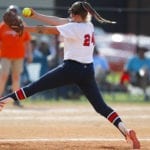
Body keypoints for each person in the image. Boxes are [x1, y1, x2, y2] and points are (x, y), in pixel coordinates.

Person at [0, 1, 140, 149]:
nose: (70, 16)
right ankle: (126, 131)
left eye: (72, 14)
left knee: (34, 87)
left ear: (77, 15)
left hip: (71, 69)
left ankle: (2, 101)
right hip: (87, 71)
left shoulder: (73, 27)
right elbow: (60, 21)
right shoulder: (88, 25)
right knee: (101, 107)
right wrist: (36, 15)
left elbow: (48, 30)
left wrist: (24, 29)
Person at [0, 5, 32, 107]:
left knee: (16, 77)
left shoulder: (21, 24)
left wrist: (29, 54)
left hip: (19, 55)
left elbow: (27, 42)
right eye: (11, 12)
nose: (13, 14)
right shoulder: (2, 26)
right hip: (5, 55)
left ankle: (16, 100)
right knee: (3, 76)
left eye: (14, 12)